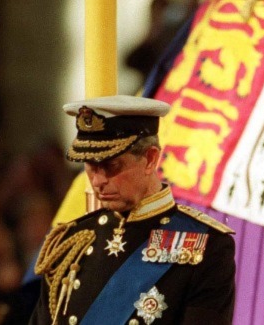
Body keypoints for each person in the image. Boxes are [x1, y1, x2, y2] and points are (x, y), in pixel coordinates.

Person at [28, 95, 236, 325]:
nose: (97, 181)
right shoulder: (71, 243)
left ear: (150, 159)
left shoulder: (205, 244)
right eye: (90, 166)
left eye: (110, 165)